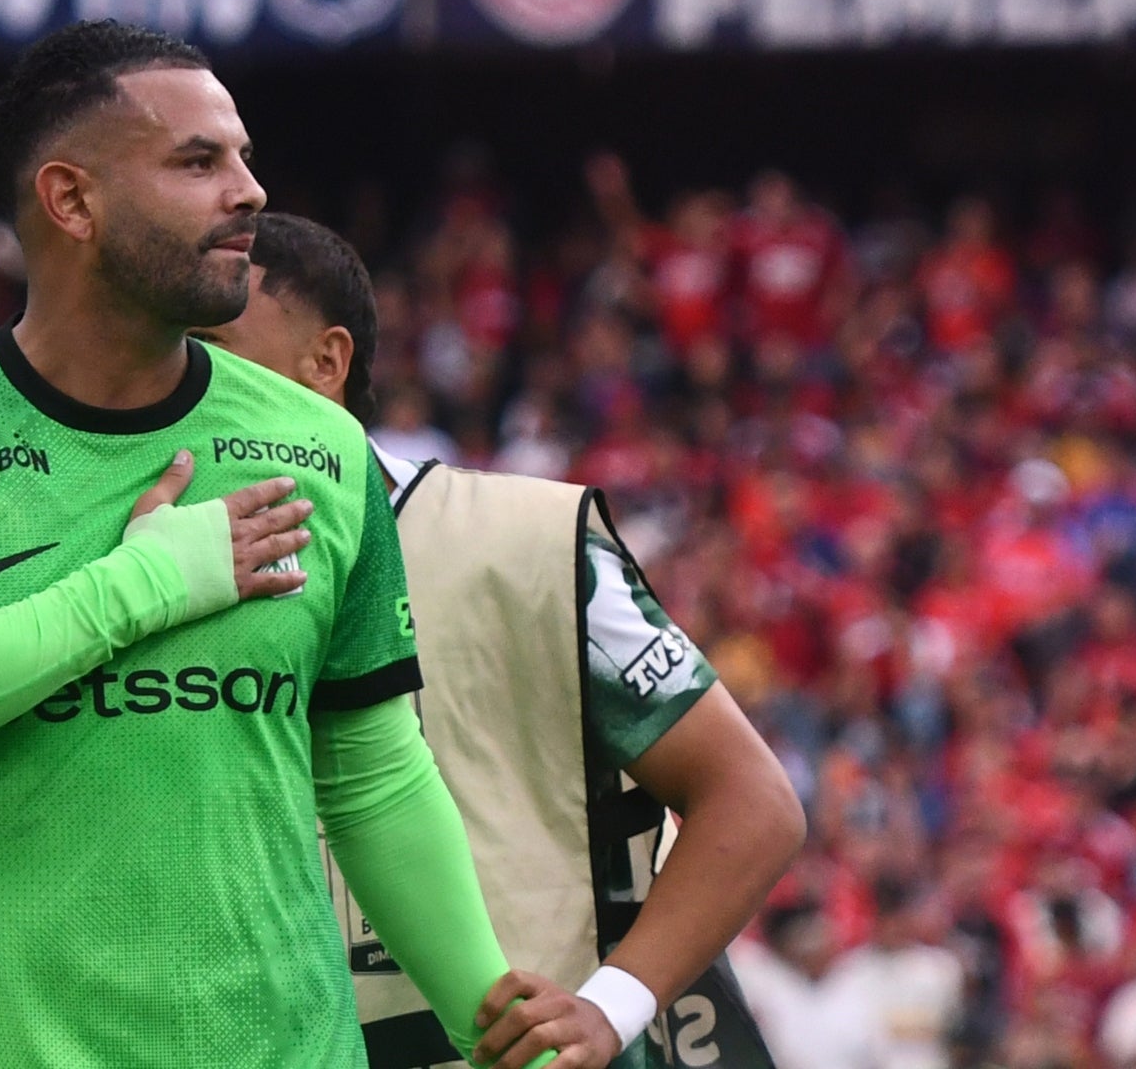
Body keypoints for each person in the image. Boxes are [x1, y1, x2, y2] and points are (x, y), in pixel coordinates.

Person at [0, 20, 523, 1069]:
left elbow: (370, 775)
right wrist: (145, 585)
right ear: (72, 200)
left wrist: (500, 1027)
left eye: (245, 157)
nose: (251, 191)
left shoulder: (319, 443)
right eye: (198, 161)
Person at [192, 213, 805, 1069]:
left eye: (211, 343)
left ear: (325, 363)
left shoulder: (529, 544)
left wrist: (607, 1009)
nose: (181, 379)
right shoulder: (147, 568)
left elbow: (753, 803)